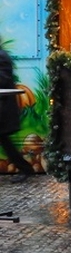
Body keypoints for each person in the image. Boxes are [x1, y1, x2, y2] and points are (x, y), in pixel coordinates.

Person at [0, 41, 34, 183]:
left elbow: (2, 79)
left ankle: (25, 168)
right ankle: (25, 168)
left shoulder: (1, 57)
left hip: (3, 106)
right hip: (3, 105)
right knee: (5, 140)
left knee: (5, 140)